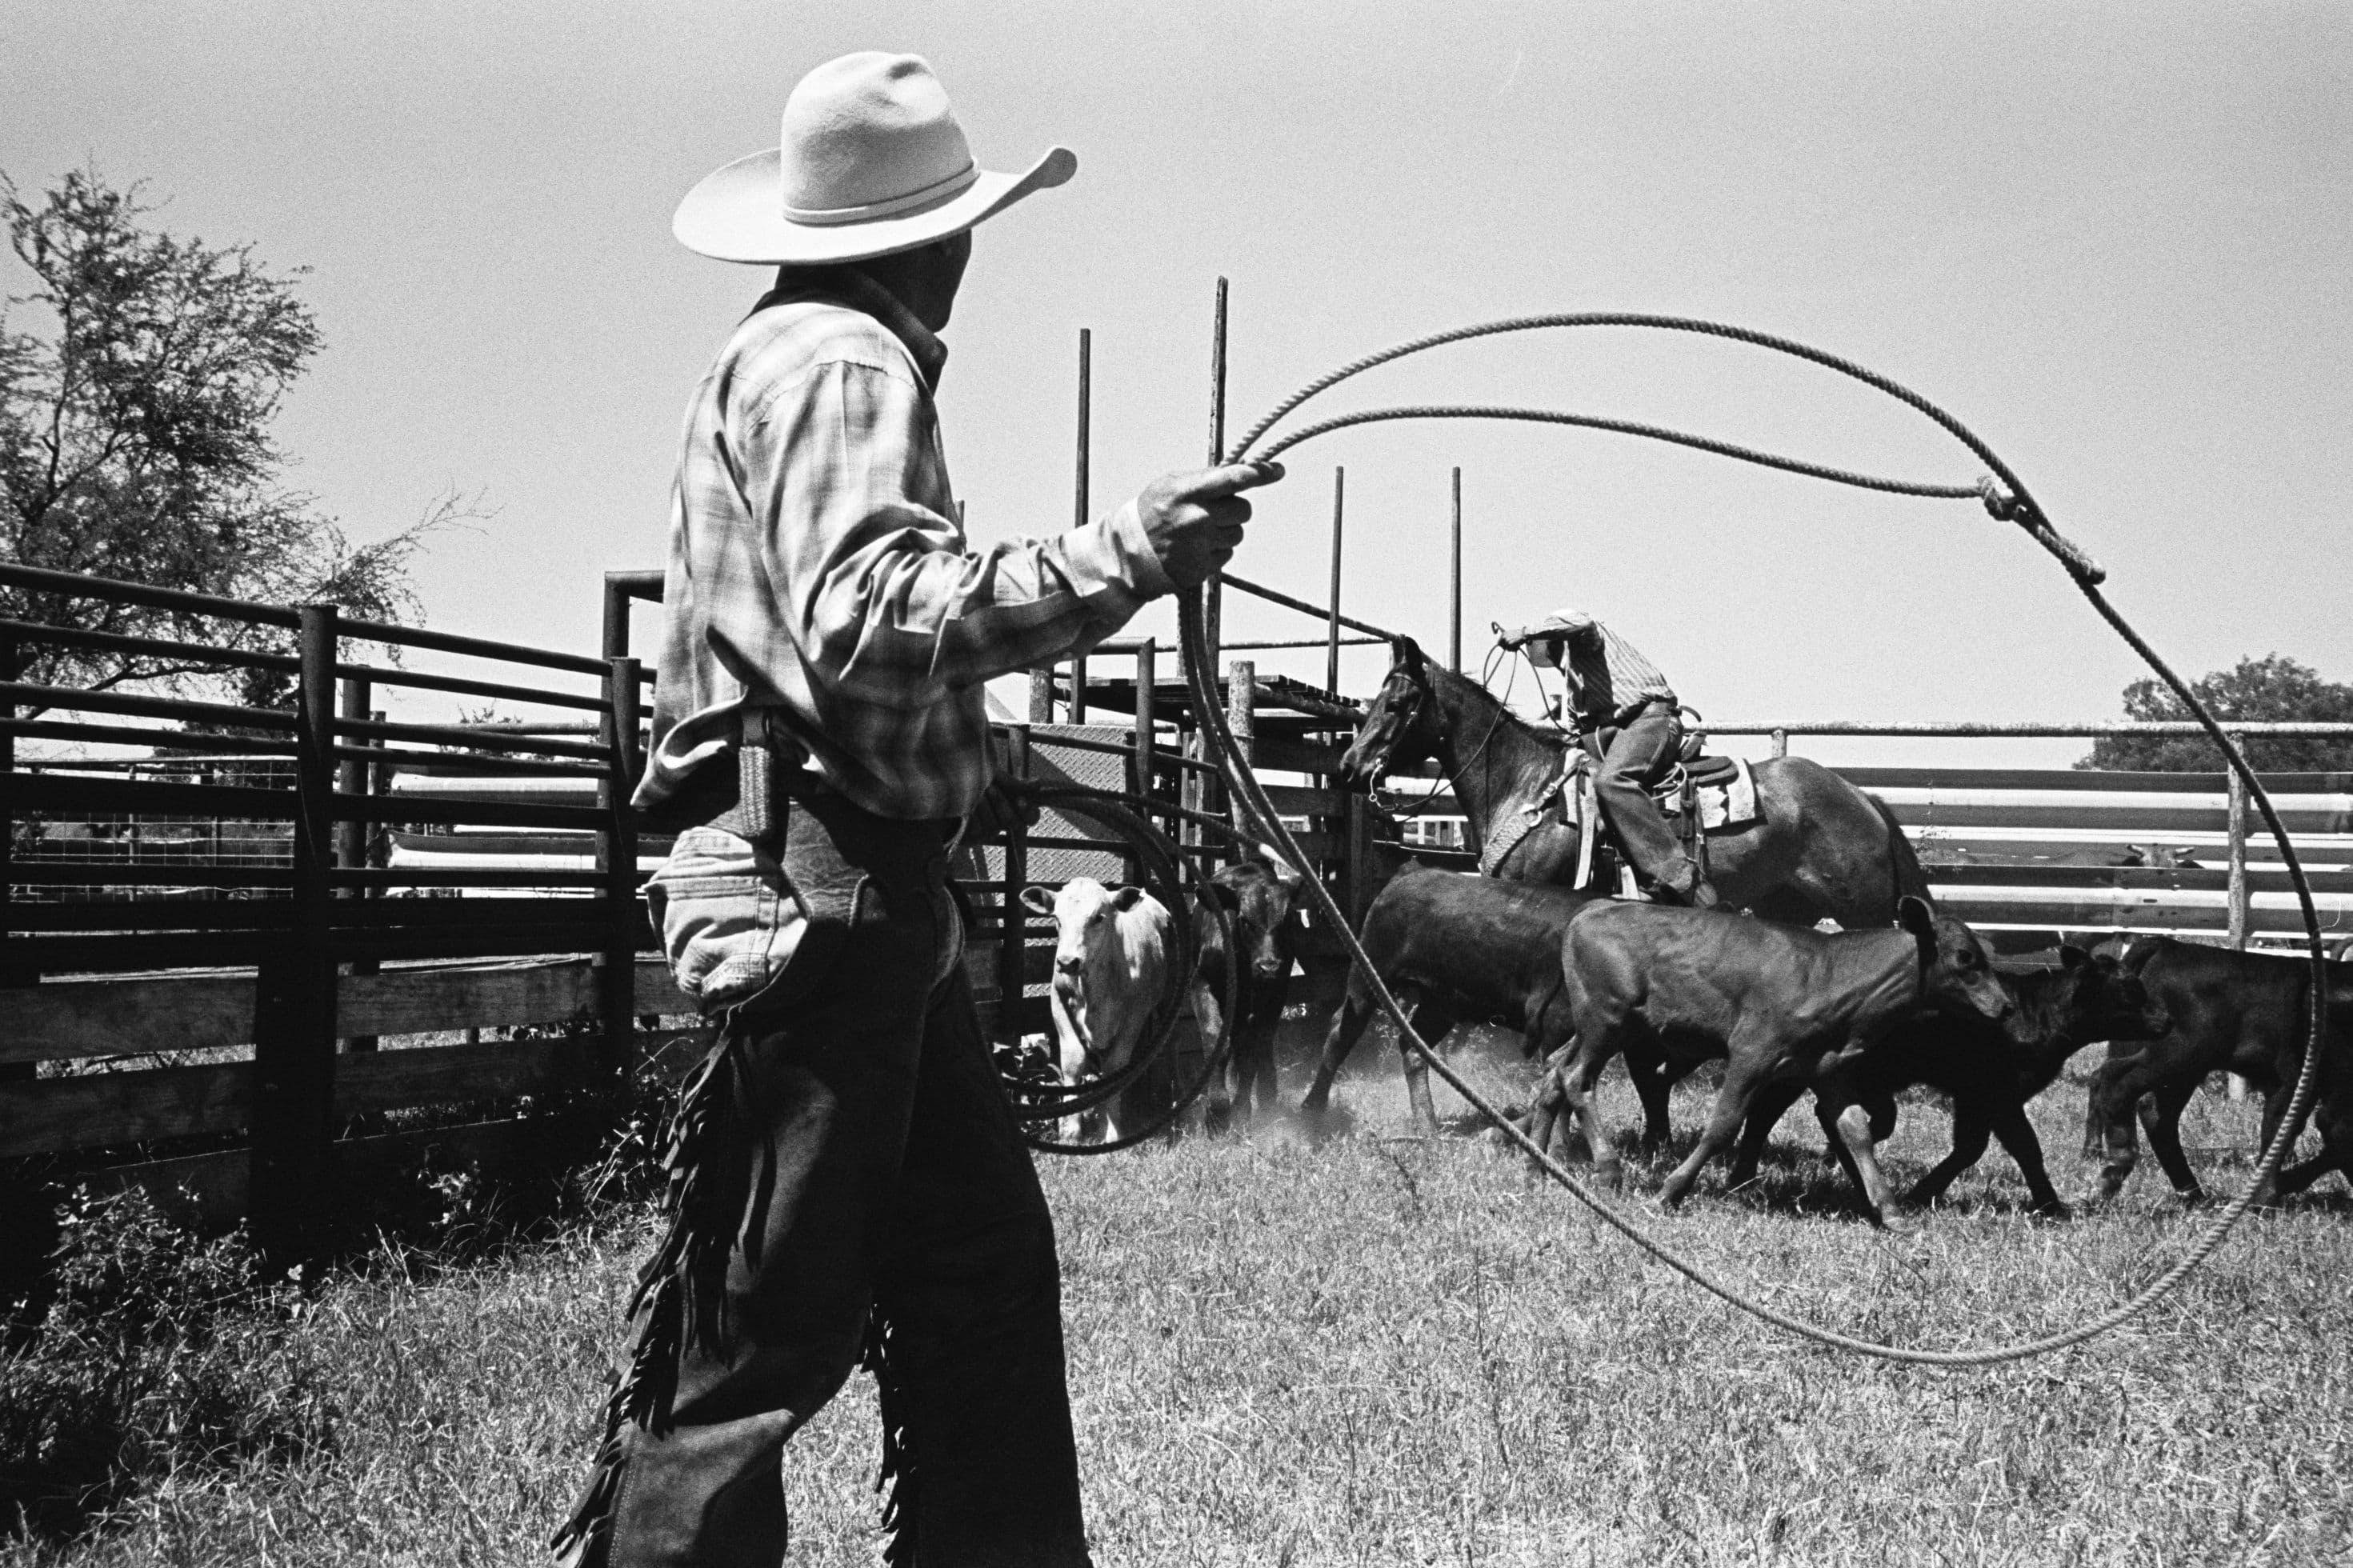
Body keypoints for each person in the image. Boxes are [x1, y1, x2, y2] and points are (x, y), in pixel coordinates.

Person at [553, 51, 1281, 1568]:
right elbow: (876, 612)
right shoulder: (848, 365)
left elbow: (834, 654)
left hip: (849, 878)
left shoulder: (787, 351)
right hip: (827, 887)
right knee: (760, 1342)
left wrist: (983, 754)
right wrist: (1130, 548)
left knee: (975, 1266)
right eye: (962, 222)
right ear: (930, 237)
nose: (968, 251)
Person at [1497, 608, 1719, 909]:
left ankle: (1678, 877)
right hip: (1619, 733)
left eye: (1550, 646)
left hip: (1651, 719)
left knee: (1614, 781)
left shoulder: (1587, 641)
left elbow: (1580, 621)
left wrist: (1524, 633)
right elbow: (1576, 734)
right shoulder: (1575, 690)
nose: (1551, 657)